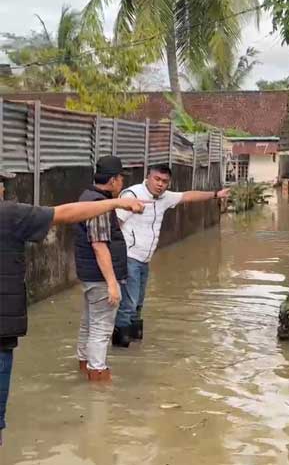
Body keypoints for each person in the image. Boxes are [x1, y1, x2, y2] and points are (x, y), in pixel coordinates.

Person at [0, 170, 144, 445]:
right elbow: (66, 214)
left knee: (90, 326)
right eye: (3, 185)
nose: (5, 190)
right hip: (2, 329)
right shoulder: (9, 215)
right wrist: (116, 203)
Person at [112, 164, 229, 345]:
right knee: (128, 304)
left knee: (138, 304)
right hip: (129, 257)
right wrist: (113, 258)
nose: (160, 184)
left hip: (144, 259)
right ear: (148, 177)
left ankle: (134, 348)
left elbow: (188, 196)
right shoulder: (132, 195)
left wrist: (215, 195)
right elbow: (116, 225)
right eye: (157, 179)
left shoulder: (165, 198)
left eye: (164, 181)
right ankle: (121, 347)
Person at [74, 156, 135, 381]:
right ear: (112, 180)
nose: (122, 183)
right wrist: (112, 283)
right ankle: (98, 377)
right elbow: (99, 246)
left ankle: (83, 365)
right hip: (100, 277)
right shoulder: (99, 205)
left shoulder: (88, 198)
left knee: (89, 323)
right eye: (120, 178)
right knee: (101, 328)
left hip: (90, 274)